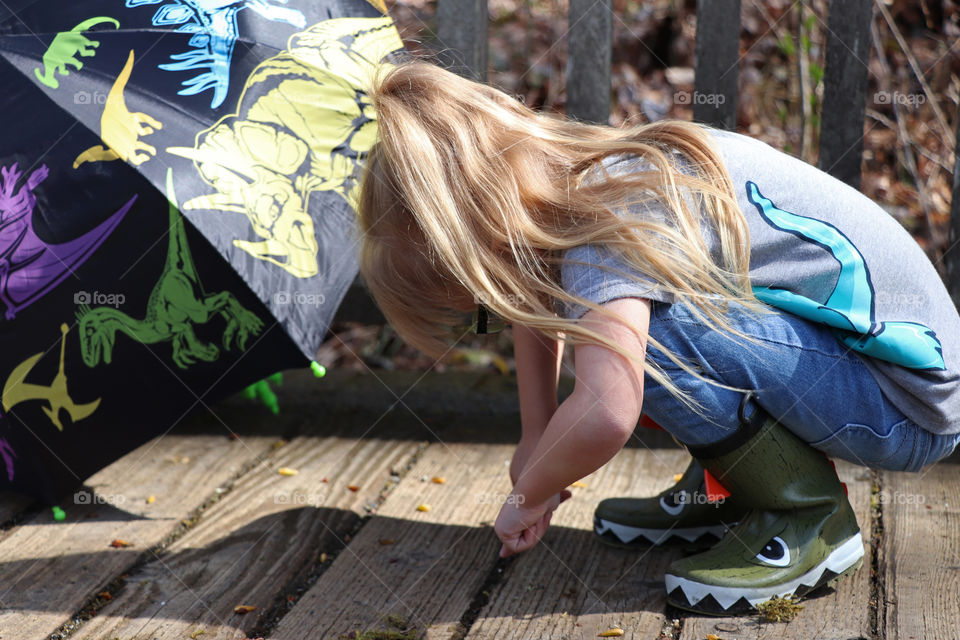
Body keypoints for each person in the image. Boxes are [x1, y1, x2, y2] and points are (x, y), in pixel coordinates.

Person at [355, 60, 960, 615]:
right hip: (881, 376)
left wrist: (529, 495)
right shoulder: (590, 185)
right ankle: (729, 489)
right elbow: (535, 295)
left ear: (484, 240)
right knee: (623, 326)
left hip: (904, 404)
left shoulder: (609, 221)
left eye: (479, 295)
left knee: (639, 346)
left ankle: (803, 515)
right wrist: (537, 437)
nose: (491, 308)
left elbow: (605, 411)